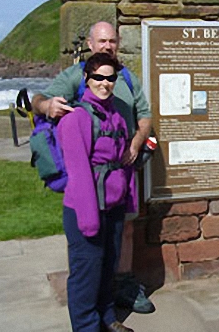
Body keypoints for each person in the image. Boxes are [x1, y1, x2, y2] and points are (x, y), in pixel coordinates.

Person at [32, 21, 155, 314]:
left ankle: (120, 288)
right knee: (89, 243)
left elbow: (145, 116)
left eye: (111, 41)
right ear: (90, 44)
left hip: (122, 170)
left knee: (123, 231)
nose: (107, 46)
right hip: (89, 175)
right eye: (101, 41)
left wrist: (136, 143)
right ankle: (89, 306)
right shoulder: (76, 74)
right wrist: (46, 106)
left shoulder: (126, 77)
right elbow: (38, 99)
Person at [58, 53, 135, 332]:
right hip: (85, 210)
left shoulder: (116, 114)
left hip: (112, 206)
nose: (105, 83)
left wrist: (127, 198)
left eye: (111, 77)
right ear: (87, 79)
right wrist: (89, 221)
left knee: (106, 269)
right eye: (99, 77)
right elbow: (78, 174)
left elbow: (124, 162)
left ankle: (107, 318)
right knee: (86, 273)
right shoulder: (76, 119)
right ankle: (86, 327)